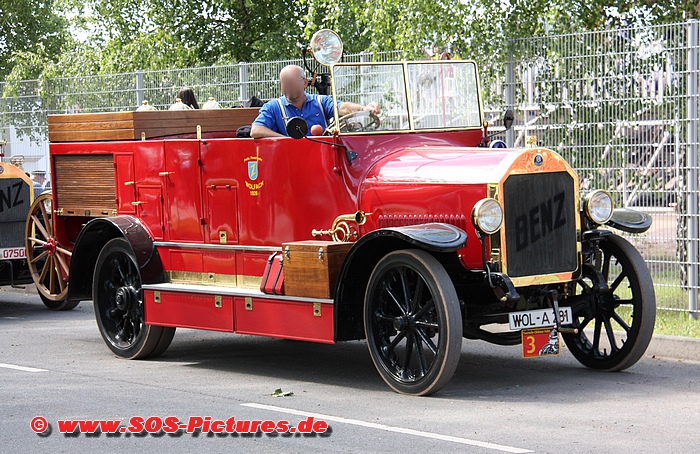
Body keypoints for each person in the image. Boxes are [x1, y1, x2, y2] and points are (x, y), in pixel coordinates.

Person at [250, 65, 380, 138]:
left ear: (305, 83)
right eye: (285, 83)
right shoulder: (273, 107)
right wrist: (286, 140)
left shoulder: (320, 102)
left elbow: (342, 107)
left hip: (322, 158)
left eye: (292, 82)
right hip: (290, 162)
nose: (288, 86)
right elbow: (256, 130)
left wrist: (363, 109)